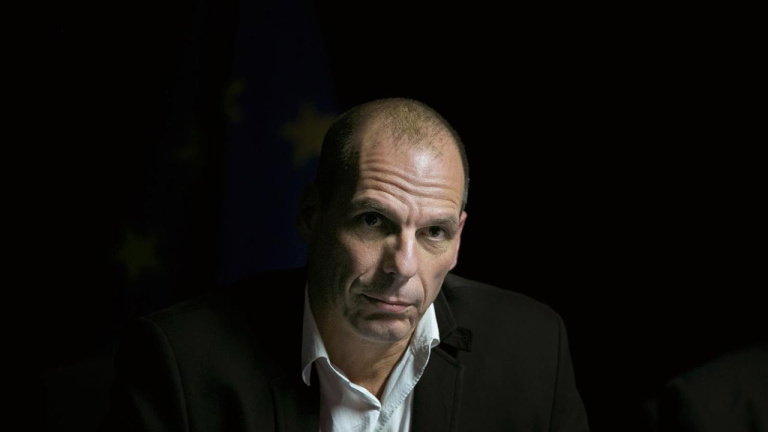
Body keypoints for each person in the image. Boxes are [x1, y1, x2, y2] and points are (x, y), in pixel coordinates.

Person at [101, 97, 590, 431]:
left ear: (458, 238)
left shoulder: (533, 350)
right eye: (373, 221)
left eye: (433, 233)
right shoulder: (181, 364)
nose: (403, 266)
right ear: (311, 216)